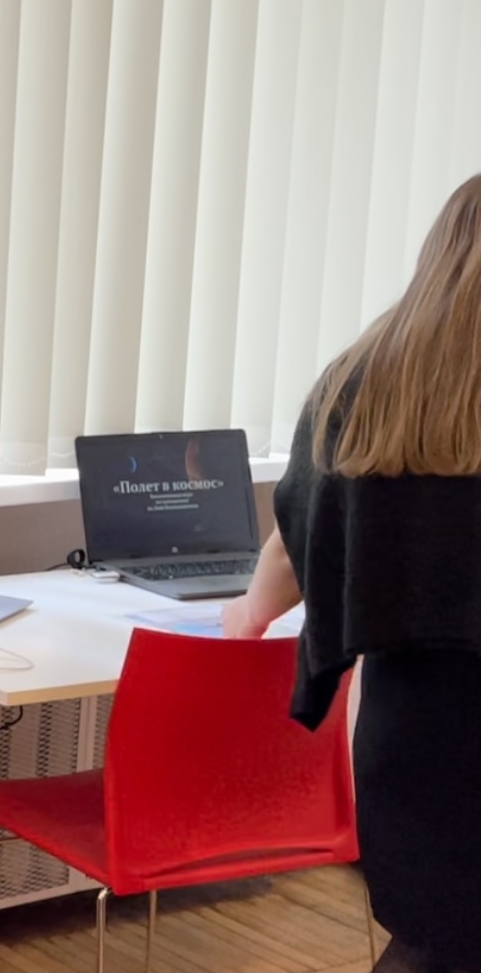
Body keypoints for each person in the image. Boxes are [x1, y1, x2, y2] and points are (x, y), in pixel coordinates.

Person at [222, 173, 480, 973]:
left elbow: (298, 534)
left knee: (433, 934)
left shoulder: (361, 379)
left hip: (412, 730)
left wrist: (248, 614)